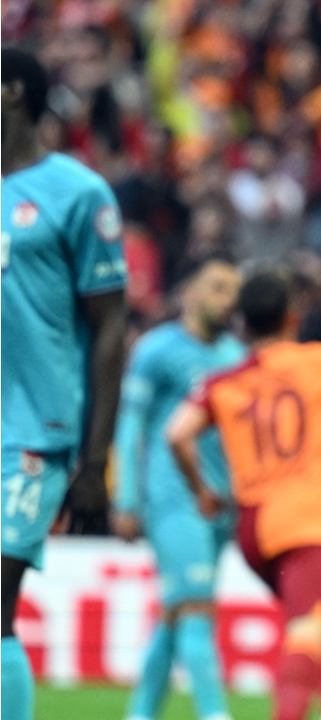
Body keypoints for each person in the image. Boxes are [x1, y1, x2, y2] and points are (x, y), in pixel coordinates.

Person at [166, 272, 321, 720]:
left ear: (242, 325)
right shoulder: (319, 363)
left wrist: (202, 491)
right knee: (310, 630)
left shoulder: (223, 382)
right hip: (302, 522)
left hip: (252, 528)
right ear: (293, 318)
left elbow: (177, 433)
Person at [1, 48, 128, 720]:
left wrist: (96, 459)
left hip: (33, 432)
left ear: (12, 92)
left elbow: (110, 329)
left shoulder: (77, 193)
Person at [112, 255, 245, 720]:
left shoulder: (236, 357)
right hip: (172, 498)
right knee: (196, 611)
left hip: (220, 504)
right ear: (188, 293)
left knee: (176, 614)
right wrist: (125, 498)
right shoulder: (156, 350)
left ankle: (140, 714)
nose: (228, 300)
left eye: (233, 290)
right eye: (218, 288)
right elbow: (131, 427)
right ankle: (215, 714)